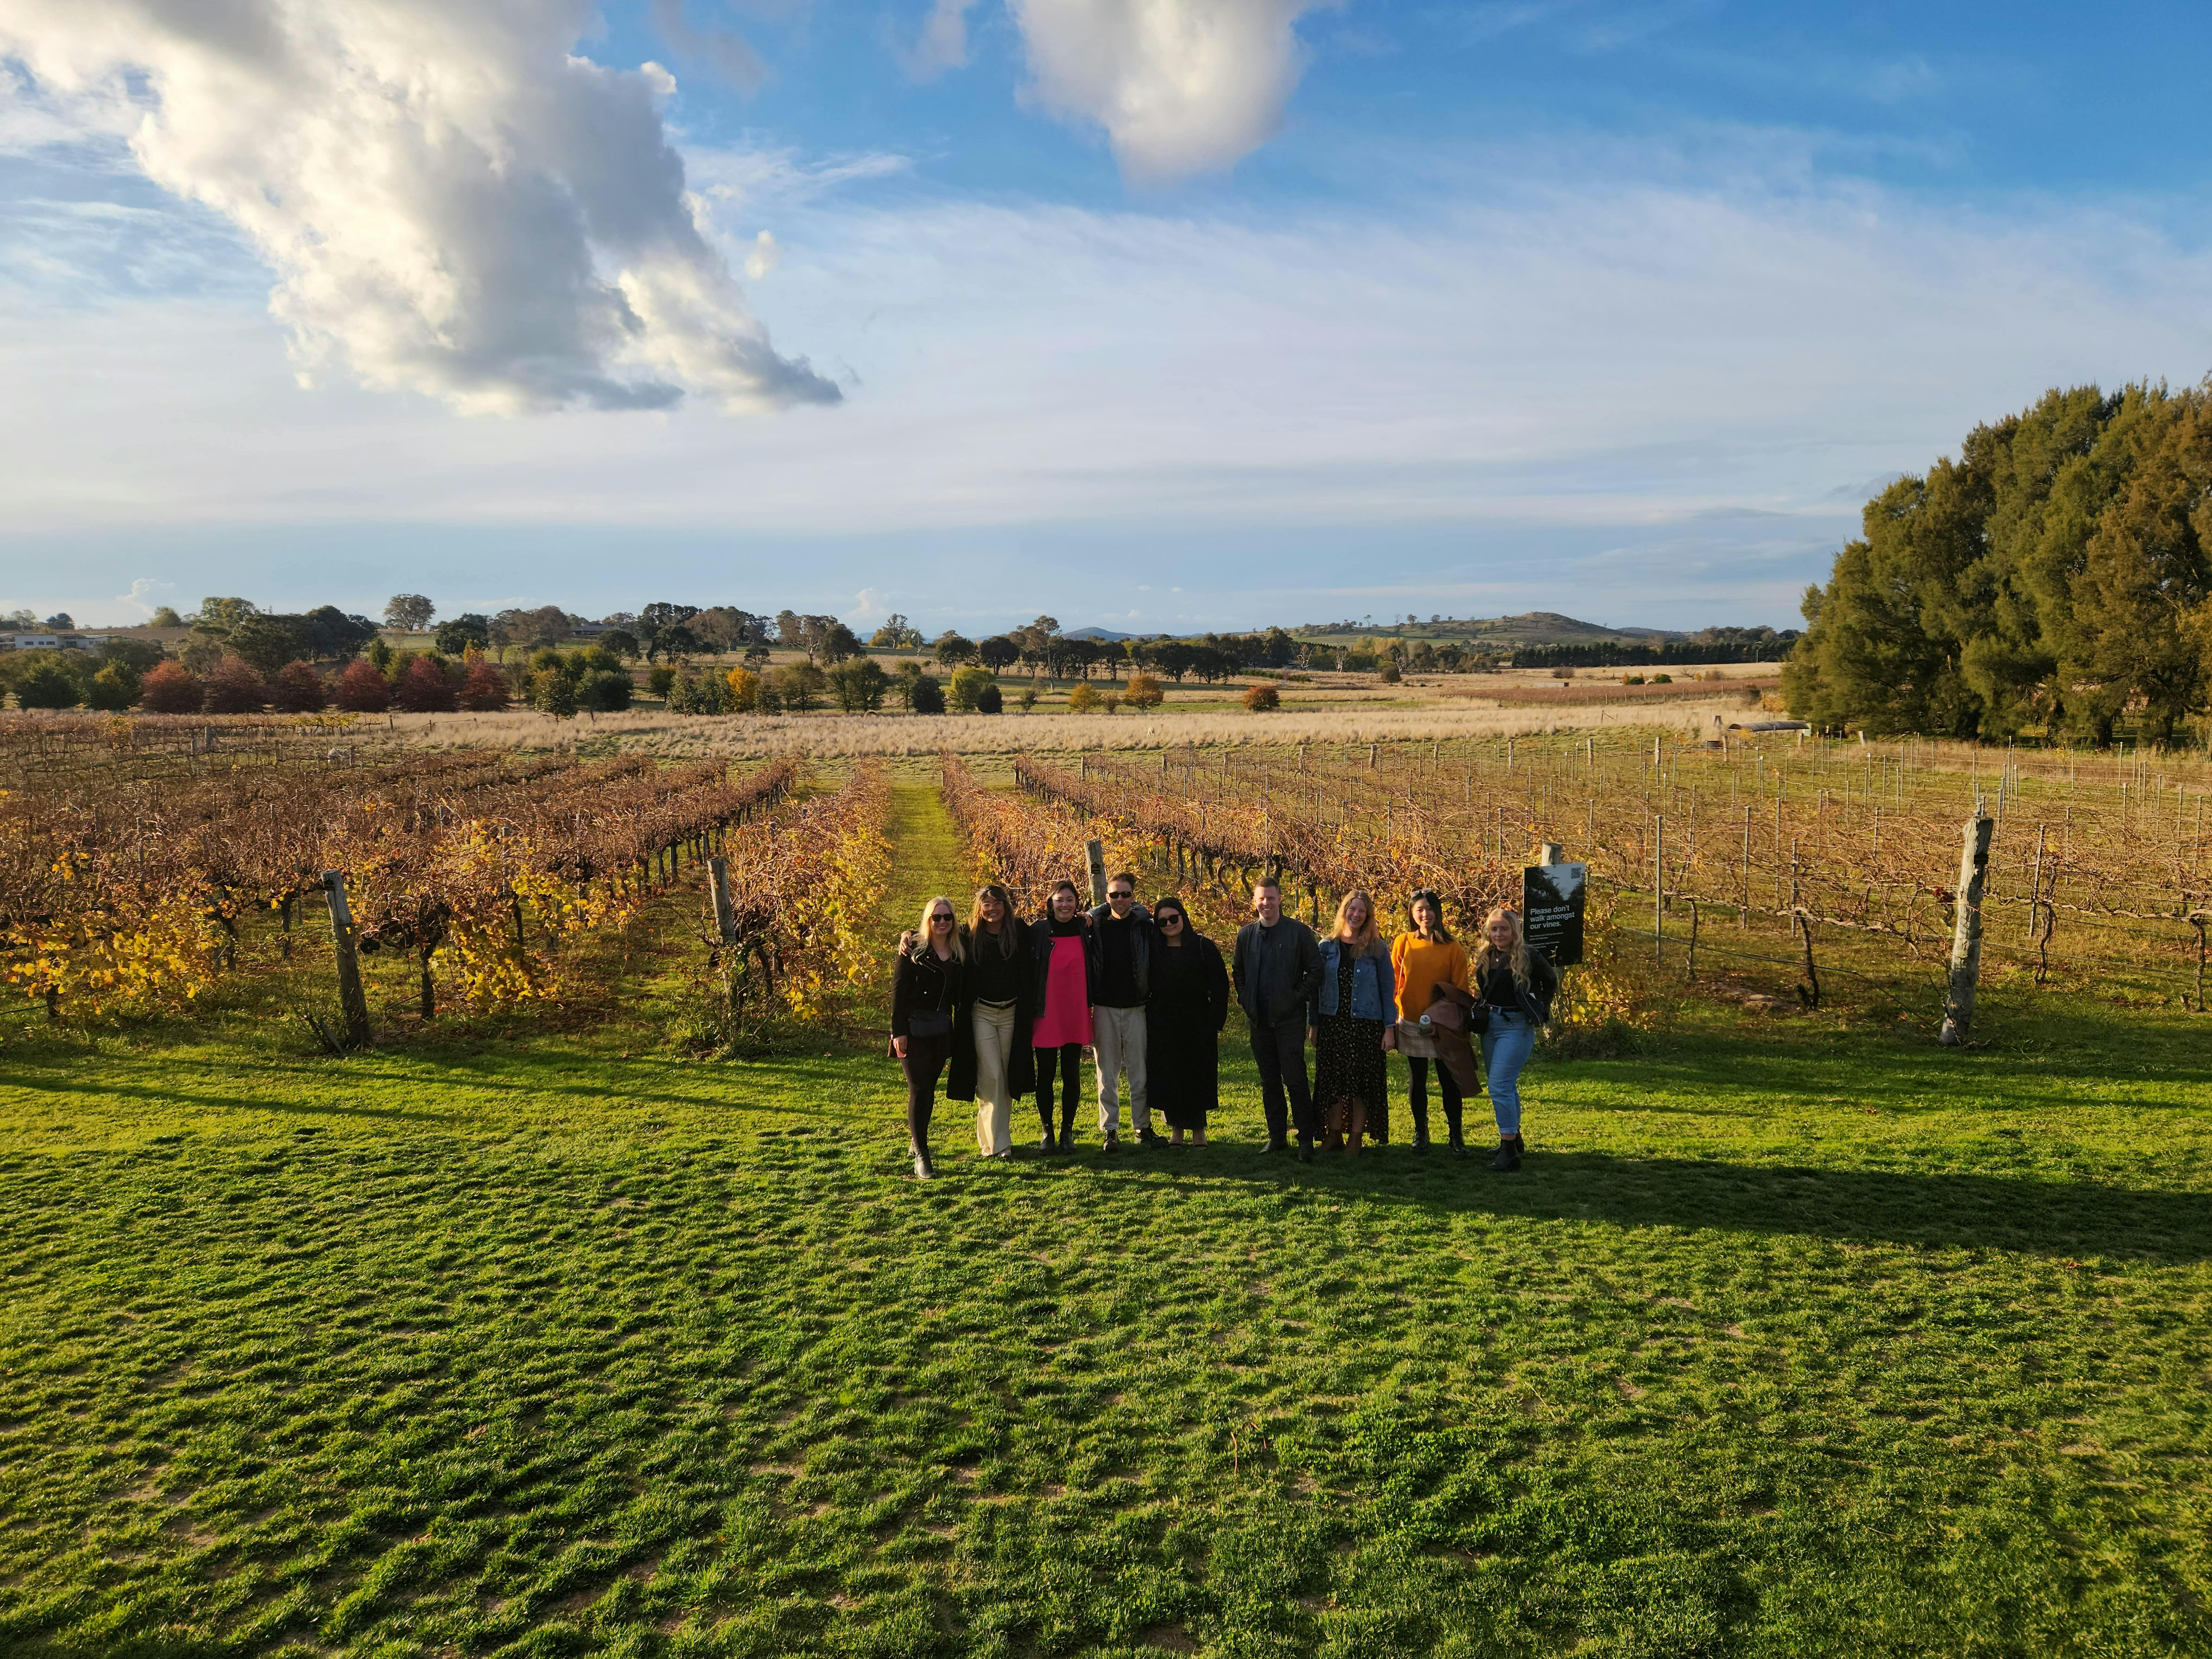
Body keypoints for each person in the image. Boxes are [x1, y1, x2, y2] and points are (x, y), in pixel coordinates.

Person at [1232, 877, 1323, 1160]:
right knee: (1269, 1081)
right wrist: (1247, 1002)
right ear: (1255, 901)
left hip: (1289, 1021)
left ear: (1280, 899)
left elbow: (1316, 971)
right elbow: (1239, 973)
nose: (1266, 903)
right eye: (1262, 898)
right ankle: (1277, 1137)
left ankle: (1305, 1141)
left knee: (1295, 1080)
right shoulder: (1246, 935)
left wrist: (1296, 998)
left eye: (1271, 898)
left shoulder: (1299, 933)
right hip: (1259, 1021)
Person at [948, 883, 1032, 1159]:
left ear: (1005, 906)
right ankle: (1002, 1146)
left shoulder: (1019, 931)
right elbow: (935, 935)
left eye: (997, 904)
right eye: (987, 904)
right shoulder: (969, 934)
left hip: (1011, 1013)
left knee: (1006, 1077)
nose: (992, 909)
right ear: (979, 907)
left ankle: (990, 1140)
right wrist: (906, 936)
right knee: (991, 1076)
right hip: (981, 1013)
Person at [1473, 905, 1558, 1172]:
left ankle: (1509, 1152)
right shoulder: (1487, 955)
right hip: (1492, 1025)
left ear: (1514, 931)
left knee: (1499, 1086)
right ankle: (1514, 1136)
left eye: (1504, 929)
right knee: (1505, 1086)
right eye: (1494, 929)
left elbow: (1550, 981)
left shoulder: (1528, 955)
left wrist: (1541, 1008)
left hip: (1517, 1026)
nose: (1499, 934)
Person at [1391, 889, 1472, 1156]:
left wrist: (1451, 1019)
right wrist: (1394, 1014)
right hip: (1412, 1021)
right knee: (1418, 1080)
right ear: (1412, 914)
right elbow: (1394, 982)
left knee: (1448, 1081)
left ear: (1438, 913)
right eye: (1419, 910)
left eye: (1429, 909)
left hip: (1443, 1025)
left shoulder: (1453, 948)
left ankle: (1456, 1135)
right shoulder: (1403, 943)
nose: (1425, 914)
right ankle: (1421, 1132)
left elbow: (1460, 989)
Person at [1312, 889, 1393, 1153]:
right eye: (1352, 909)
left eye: (1362, 911)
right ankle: (1334, 1134)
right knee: (1332, 1082)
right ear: (1344, 911)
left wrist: (1390, 1029)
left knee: (1362, 1083)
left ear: (1368, 916)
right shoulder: (1327, 947)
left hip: (1367, 1026)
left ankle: (1356, 1137)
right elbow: (1315, 989)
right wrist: (1314, 1025)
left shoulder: (1377, 949)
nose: (1356, 915)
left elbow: (1387, 991)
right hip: (1333, 1023)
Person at [1144, 895, 1229, 1146]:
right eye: (1162, 921)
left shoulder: (1204, 947)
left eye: (1174, 918)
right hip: (1164, 1024)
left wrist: (1216, 1022)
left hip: (1198, 1023)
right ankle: (1176, 1132)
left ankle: (1199, 1131)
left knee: (1196, 1076)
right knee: (1169, 1077)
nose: (1169, 924)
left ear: (1184, 917)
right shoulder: (1154, 949)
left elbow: (1220, 986)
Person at [1088, 870, 1162, 1149]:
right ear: (1107, 898)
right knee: (1107, 1073)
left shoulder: (1145, 925)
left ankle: (1142, 1127)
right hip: (1105, 1007)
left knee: (1139, 1072)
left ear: (1134, 896)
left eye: (1126, 894)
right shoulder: (1095, 925)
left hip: (1136, 1007)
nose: (1120, 899)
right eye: (1114, 895)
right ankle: (1110, 1130)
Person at [890, 896, 963, 1180]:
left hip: (942, 1030)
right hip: (914, 1030)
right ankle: (923, 1156)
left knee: (929, 1090)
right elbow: (898, 993)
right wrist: (899, 1032)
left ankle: (915, 1138)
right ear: (928, 920)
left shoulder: (959, 949)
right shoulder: (913, 950)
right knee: (919, 1090)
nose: (943, 922)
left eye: (948, 917)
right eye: (937, 918)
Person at [1028, 879, 1094, 1152]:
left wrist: (1090, 916)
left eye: (1070, 900)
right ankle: (1048, 1132)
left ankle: (1068, 1131)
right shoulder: (1038, 931)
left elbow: (1125, 910)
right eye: (1060, 900)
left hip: (1075, 1010)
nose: (1065, 905)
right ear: (1050, 903)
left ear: (1077, 903)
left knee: (1071, 1073)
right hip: (1046, 1011)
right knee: (1045, 1074)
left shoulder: (1087, 929)